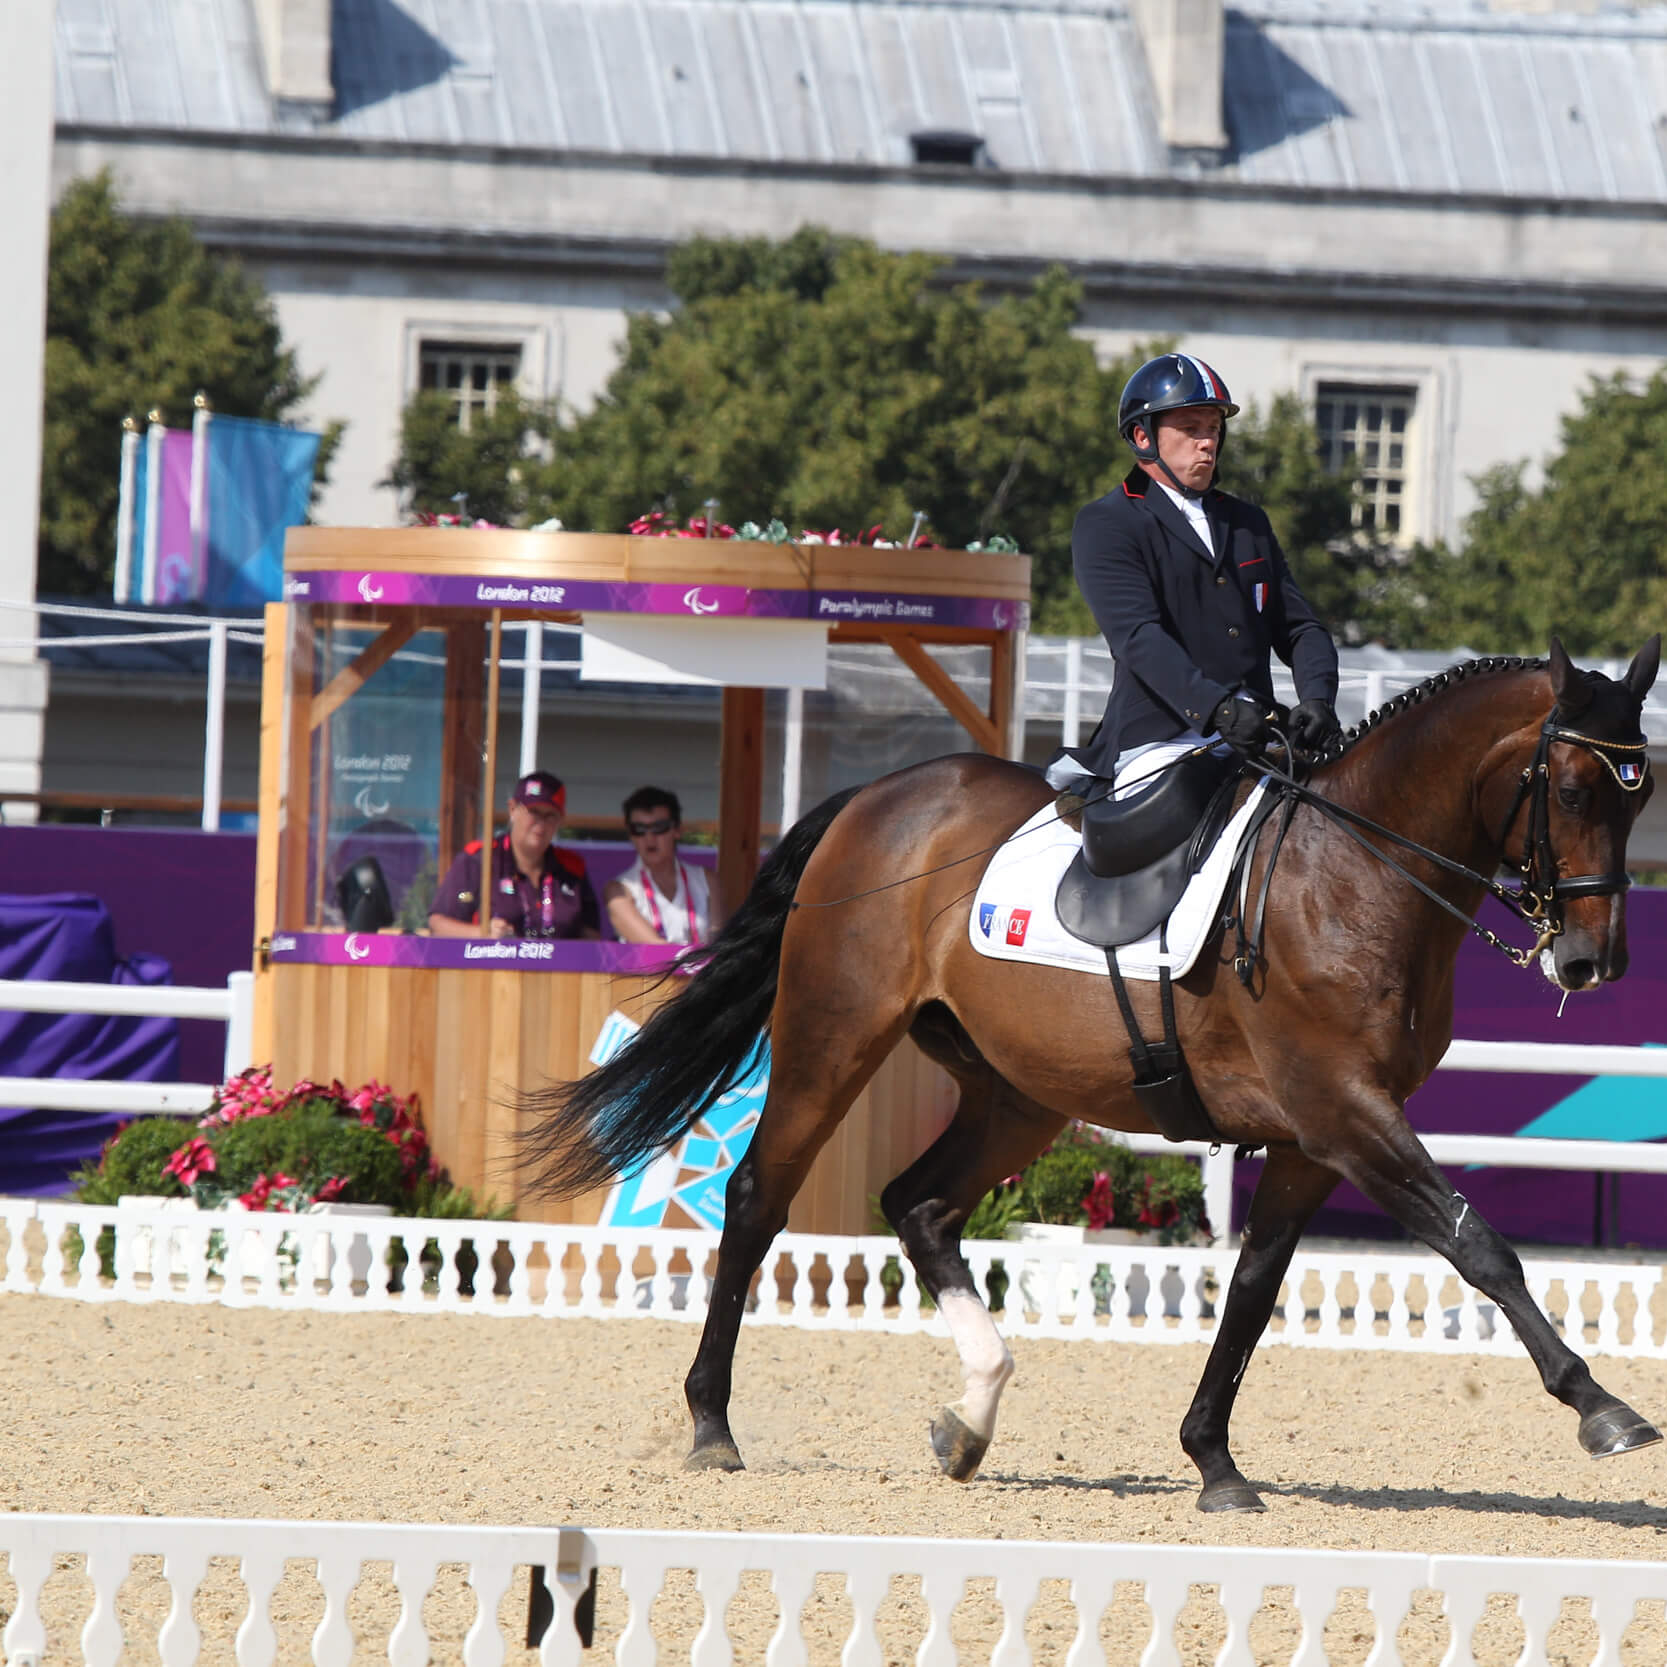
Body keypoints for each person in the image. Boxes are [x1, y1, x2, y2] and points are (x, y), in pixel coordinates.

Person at [1048, 352, 1341, 791]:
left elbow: (1300, 628)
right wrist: (1218, 710)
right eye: (1191, 429)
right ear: (1142, 436)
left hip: (1257, 733)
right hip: (1161, 741)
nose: (1207, 442)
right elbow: (1138, 639)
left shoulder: (1248, 522)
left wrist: (1317, 697)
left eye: (1214, 429)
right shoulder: (1108, 523)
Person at [427, 770, 600, 939]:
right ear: (512, 809)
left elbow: (591, 936)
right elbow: (438, 923)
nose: (541, 823)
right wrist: (482, 933)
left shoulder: (573, 868)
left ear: (561, 820)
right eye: (534, 812)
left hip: (559, 966)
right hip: (490, 965)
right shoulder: (480, 859)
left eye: (551, 815)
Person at [603, 786, 718, 946]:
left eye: (659, 827)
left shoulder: (709, 880)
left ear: (678, 830)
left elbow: (720, 946)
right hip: (650, 971)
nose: (649, 837)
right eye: (639, 829)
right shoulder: (618, 890)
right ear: (630, 834)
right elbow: (655, 951)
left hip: (704, 970)